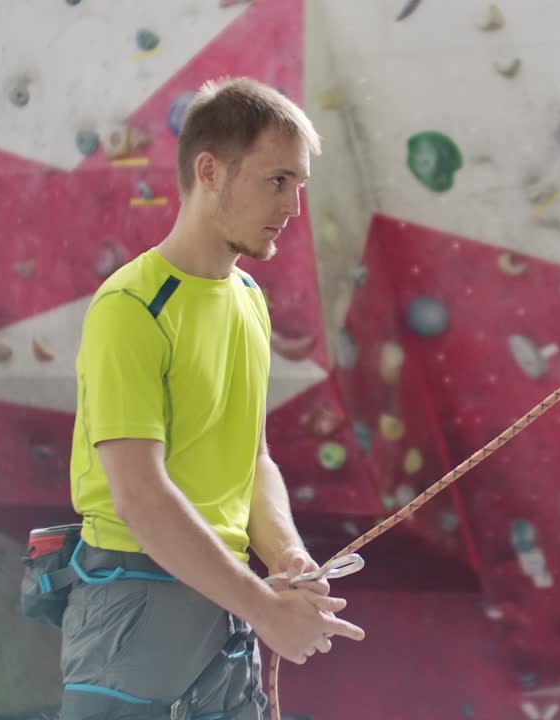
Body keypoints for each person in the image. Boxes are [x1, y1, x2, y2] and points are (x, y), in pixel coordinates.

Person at [58, 76, 365, 720]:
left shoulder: (249, 298)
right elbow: (139, 496)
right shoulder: (131, 306)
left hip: (226, 608)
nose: (293, 207)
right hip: (134, 604)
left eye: (300, 187)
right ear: (210, 171)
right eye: (277, 182)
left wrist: (286, 557)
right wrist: (264, 609)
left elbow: (250, 461)